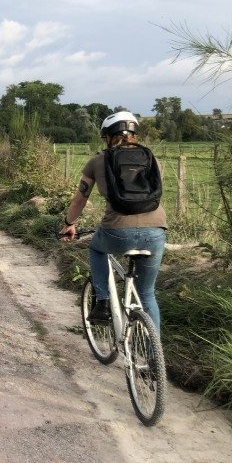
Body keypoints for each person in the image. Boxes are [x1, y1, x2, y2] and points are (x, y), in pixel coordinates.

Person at [59, 111, 167, 332]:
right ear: (133, 134)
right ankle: (155, 360)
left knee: (97, 249)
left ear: (108, 136)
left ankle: (102, 302)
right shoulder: (150, 157)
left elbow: (81, 198)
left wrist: (69, 223)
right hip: (156, 231)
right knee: (147, 294)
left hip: (117, 231)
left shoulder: (97, 161)